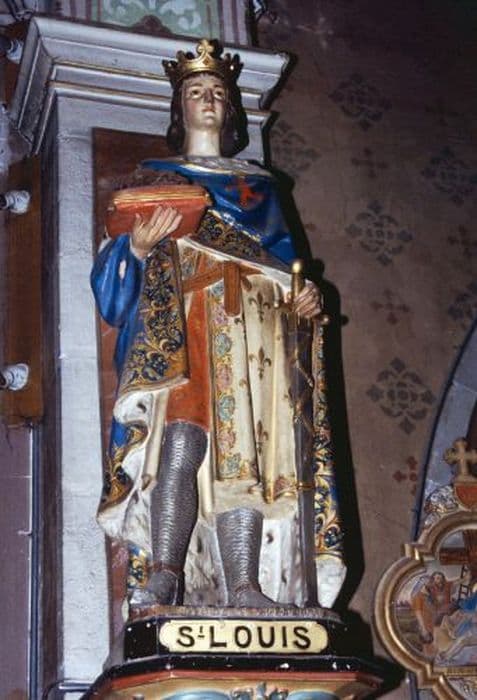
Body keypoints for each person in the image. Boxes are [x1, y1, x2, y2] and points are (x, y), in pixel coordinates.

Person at [91, 39, 344, 610]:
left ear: (230, 109)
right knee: (180, 446)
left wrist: (306, 299)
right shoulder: (156, 179)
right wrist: (138, 246)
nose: (207, 99)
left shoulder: (260, 189)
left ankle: (246, 585)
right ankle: (165, 572)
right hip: (188, 331)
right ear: (179, 107)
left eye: (217, 92)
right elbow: (112, 285)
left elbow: (287, 271)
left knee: (244, 458)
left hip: (255, 333)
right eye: (195, 91)